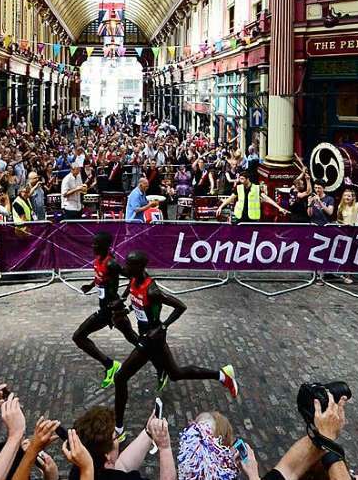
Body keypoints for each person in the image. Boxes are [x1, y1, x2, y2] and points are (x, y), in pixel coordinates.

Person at [113, 251, 237, 439]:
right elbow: (136, 302)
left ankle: (118, 429)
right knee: (176, 373)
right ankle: (222, 375)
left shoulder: (152, 290)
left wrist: (162, 326)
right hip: (148, 337)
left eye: (129, 264)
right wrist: (127, 310)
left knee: (120, 377)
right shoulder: (133, 280)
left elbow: (180, 306)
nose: (126, 267)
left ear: (139, 267)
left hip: (152, 339)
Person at [73, 232, 141, 389]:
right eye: (93, 243)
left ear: (105, 246)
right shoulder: (98, 260)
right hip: (107, 308)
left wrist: (122, 298)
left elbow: (134, 277)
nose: (93, 246)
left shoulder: (112, 264)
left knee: (79, 337)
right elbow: (100, 276)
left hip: (111, 310)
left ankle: (110, 365)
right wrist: (90, 285)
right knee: (133, 338)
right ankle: (160, 362)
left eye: (96, 244)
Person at [216, 174, 285, 223]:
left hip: (253, 218)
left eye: (242, 179)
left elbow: (267, 198)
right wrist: (220, 207)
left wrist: (279, 207)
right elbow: (230, 198)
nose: (240, 181)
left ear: (247, 179)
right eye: (240, 179)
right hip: (240, 216)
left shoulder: (256, 188)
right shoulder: (238, 188)